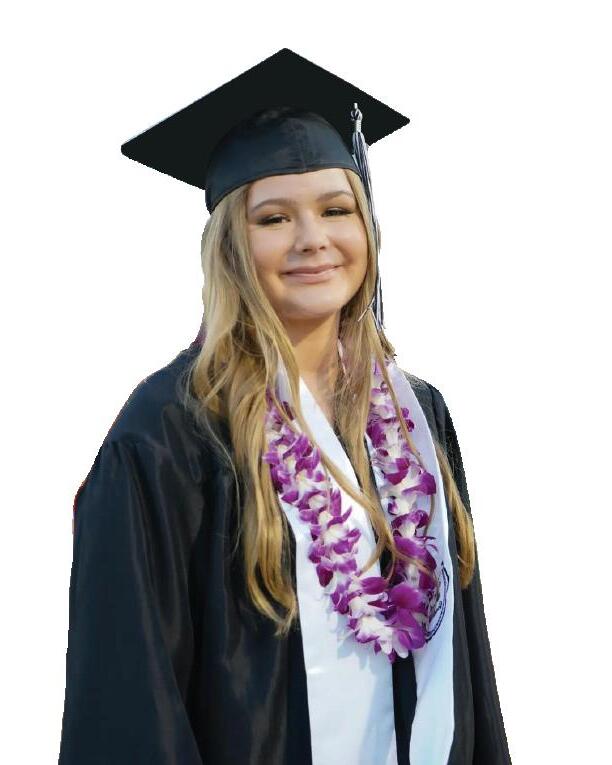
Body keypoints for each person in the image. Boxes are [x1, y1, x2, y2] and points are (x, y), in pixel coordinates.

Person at [58, 48, 511, 764]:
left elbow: (465, 665)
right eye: (273, 218)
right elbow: (128, 695)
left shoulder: (416, 418)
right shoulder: (170, 431)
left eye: (336, 209)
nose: (313, 240)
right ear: (230, 246)